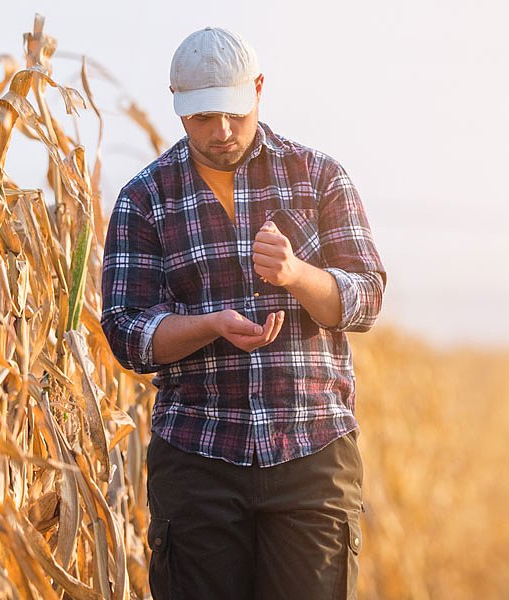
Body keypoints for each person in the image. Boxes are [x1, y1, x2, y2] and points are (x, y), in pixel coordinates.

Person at [100, 26, 387, 600]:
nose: (222, 131)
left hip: (311, 449)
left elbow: (367, 299)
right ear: (178, 105)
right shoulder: (144, 198)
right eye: (203, 117)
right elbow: (127, 331)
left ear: (258, 89)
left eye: (233, 113)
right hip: (198, 455)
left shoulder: (319, 177)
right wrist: (208, 326)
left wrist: (297, 275)